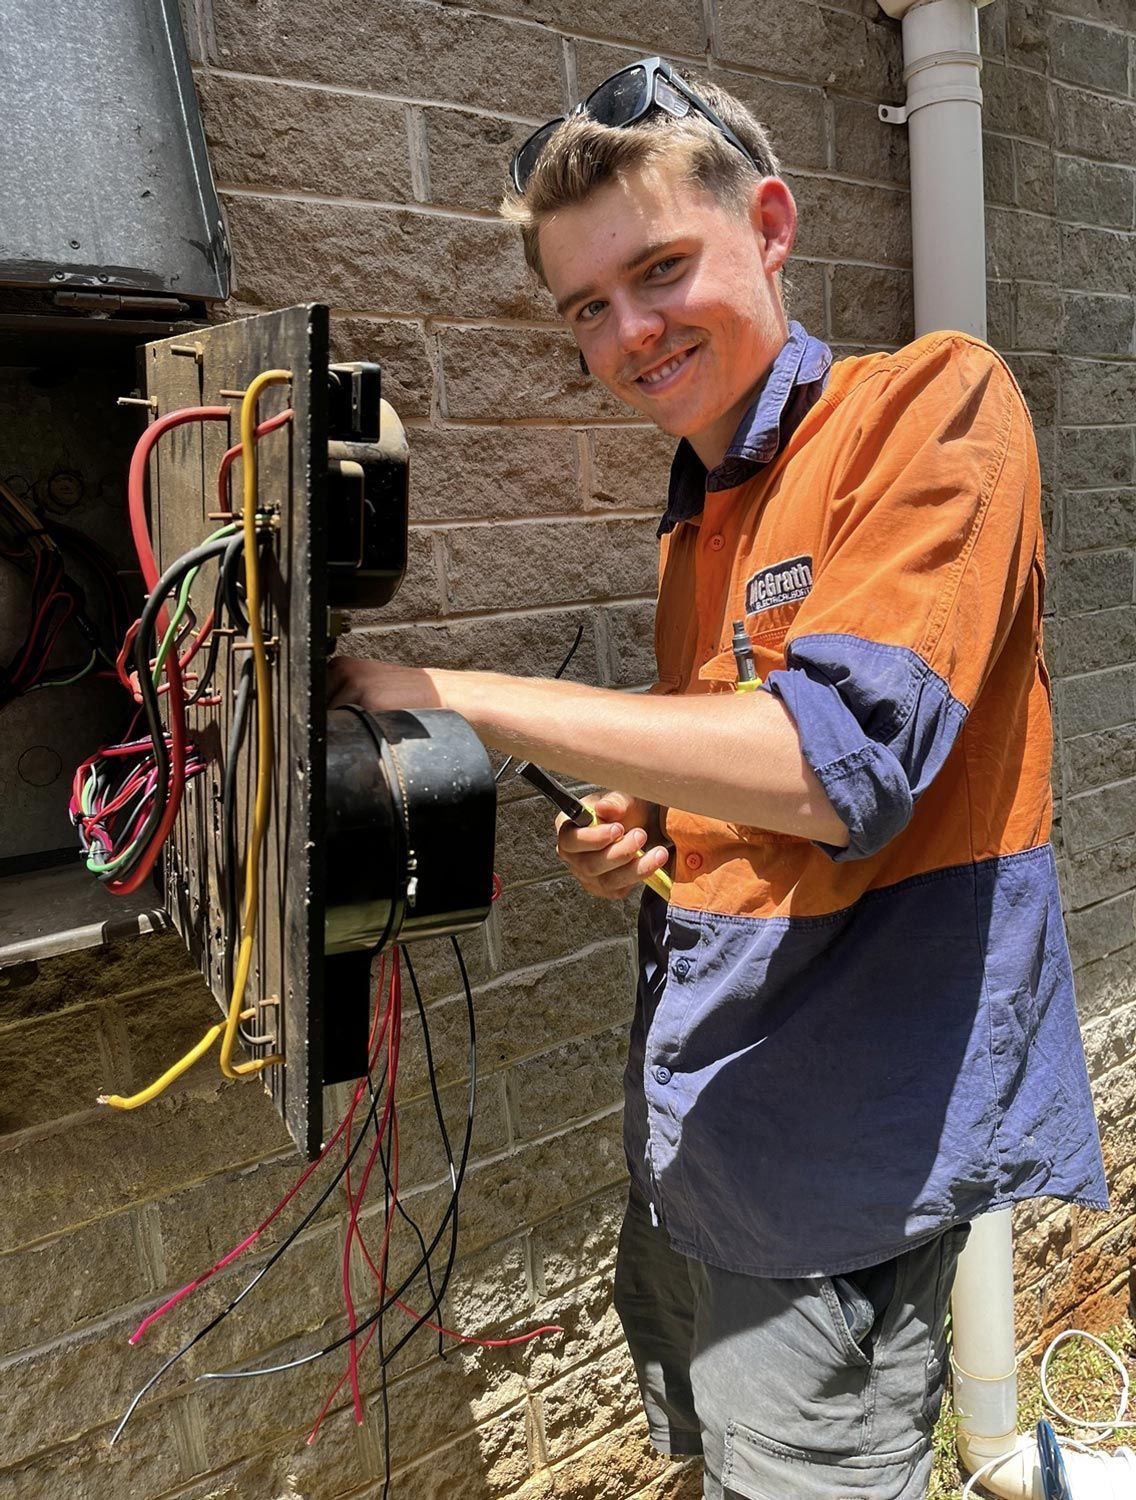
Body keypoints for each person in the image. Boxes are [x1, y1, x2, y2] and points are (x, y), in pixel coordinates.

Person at [328, 59, 1108, 1500]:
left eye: (662, 267)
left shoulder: (932, 406)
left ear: (770, 223)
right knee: (703, 1455)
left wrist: (452, 698)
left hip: (837, 1169)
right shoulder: (700, 523)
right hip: (696, 1136)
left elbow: (835, 766)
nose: (629, 331)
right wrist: (650, 822)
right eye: (586, 308)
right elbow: (743, 784)